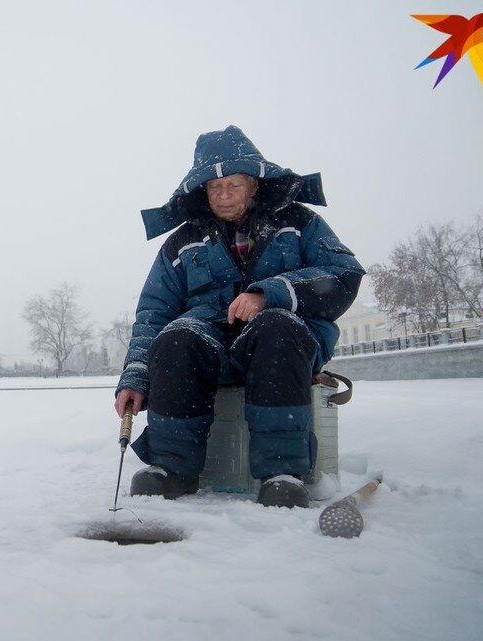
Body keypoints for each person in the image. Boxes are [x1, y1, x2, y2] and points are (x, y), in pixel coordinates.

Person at [114, 125, 364, 508]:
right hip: (212, 350)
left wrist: (272, 293)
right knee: (177, 336)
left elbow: (343, 274)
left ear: (254, 185)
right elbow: (153, 313)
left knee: (277, 326)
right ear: (203, 192)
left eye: (234, 184)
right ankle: (171, 468)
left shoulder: (299, 223)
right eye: (216, 188)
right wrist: (135, 376)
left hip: (284, 343)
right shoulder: (181, 242)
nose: (225, 195)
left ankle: (281, 472)